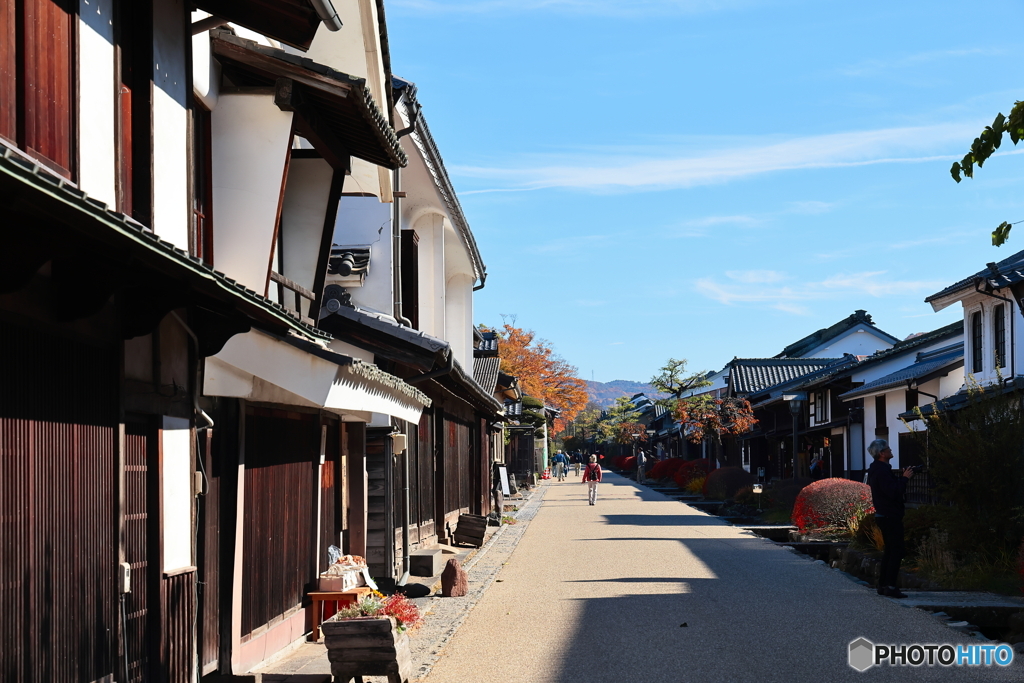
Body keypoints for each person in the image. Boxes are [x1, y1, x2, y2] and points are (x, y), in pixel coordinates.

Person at [866, 438, 916, 599]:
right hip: (889, 515)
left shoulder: (877, 470)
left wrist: (901, 477)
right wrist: (905, 478)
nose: (890, 450)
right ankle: (891, 586)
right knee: (896, 550)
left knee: (889, 550)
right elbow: (893, 492)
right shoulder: (881, 471)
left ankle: (883, 585)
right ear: (882, 453)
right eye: (888, 449)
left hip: (883, 514)